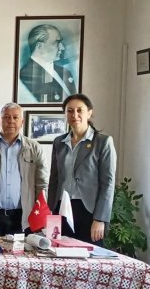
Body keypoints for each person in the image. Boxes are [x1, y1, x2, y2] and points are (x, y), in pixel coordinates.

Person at [48, 94, 116, 245]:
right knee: (60, 254)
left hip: (89, 211)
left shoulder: (103, 142)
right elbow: (54, 181)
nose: (75, 115)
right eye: (70, 111)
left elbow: (108, 184)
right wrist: (50, 212)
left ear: (89, 113)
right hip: (61, 208)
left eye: (80, 110)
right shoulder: (59, 142)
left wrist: (100, 219)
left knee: (88, 256)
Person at [0, 103, 48, 236]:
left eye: (15, 117)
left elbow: (42, 184)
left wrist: (40, 215)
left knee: (22, 250)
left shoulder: (34, 148)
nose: (11, 121)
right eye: (6, 117)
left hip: (23, 216)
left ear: (22, 122)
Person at [19, 24, 77, 104]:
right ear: (39, 46)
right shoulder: (25, 75)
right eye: (57, 42)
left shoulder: (65, 72)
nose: (62, 48)